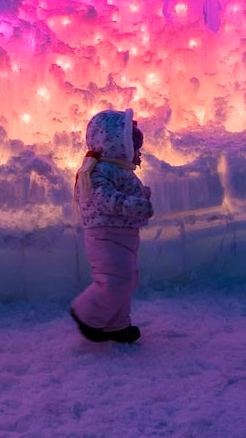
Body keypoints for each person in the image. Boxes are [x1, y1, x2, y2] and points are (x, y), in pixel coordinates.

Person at [69, 108, 153, 344]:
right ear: (118, 145)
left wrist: (141, 198)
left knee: (127, 278)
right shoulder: (98, 171)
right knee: (115, 279)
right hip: (105, 235)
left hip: (123, 235)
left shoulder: (117, 170)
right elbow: (101, 198)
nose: (138, 154)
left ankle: (117, 325)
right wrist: (131, 204)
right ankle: (87, 313)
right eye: (134, 147)